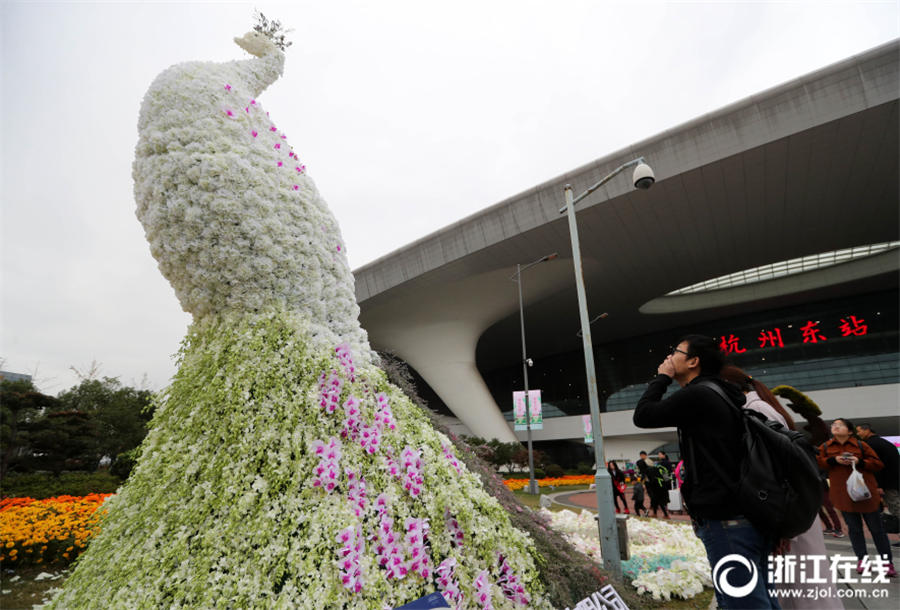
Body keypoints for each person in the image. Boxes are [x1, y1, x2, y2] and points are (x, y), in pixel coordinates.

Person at [634, 334, 780, 609]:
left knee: (745, 603)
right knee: (759, 598)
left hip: (726, 517)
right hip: (747, 513)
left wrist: (662, 378)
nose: (668, 357)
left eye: (674, 351)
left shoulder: (699, 394)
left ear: (693, 361)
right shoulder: (723, 392)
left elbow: (643, 415)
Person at [721, 366, 843, 609]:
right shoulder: (760, 407)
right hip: (790, 511)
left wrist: (781, 529)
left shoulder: (754, 410)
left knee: (804, 586)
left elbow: (776, 471)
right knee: (801, 583)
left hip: (788, 513)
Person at [817, 418, 896, 577]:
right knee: (854, 530)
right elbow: (818, 462)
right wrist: (834, 460)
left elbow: (877, 464)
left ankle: (886, 563)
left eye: (840, 425)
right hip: (843, 495)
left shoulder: (861, 445)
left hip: (866, 494)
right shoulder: (825, 447)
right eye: (834, 425)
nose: (835, 427)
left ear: (850, 431)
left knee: (877, 529)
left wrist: (859, 461)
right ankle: (862, 561)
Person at [856, 424, 900, 521]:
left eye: (859, 431)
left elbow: (876, 466)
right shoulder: (884, 442)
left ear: (867, 430)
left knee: (895, 507)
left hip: (888, 483)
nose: (858, 434)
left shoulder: (871, 445)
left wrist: (879, 485)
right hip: (894, 480)